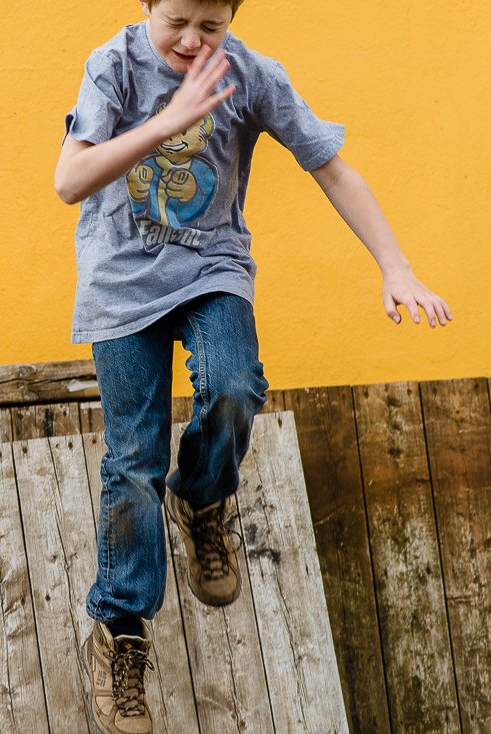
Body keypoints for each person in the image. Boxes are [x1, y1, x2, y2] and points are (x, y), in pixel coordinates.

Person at [53, 1, 451, 732]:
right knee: (133, 461)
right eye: (177, 20)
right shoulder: (110, 67)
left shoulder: (253, 76)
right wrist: (165, 125)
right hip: (120, 285)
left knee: (235, 387)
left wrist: (396, 268)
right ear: (147, 5)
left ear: (233, 17)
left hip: (211, 271)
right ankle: (121, 630)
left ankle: (203, 499)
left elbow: (331, 168)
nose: (192, 40)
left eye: (212, 24)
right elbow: (69, 180)